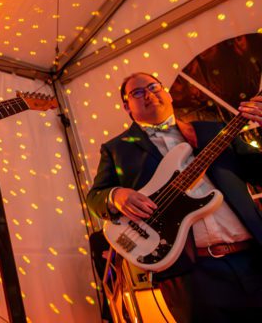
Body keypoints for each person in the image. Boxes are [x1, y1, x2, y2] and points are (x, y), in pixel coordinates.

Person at [86, 71, 262, 322]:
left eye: (153, 86)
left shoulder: (214, 130)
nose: (148, 93)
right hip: (190, 276)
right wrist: (116, 195)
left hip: (252, 258)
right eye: (137, 92)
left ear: (167, 93)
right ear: (126, 106)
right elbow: (95, 197)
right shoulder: (118, 148)